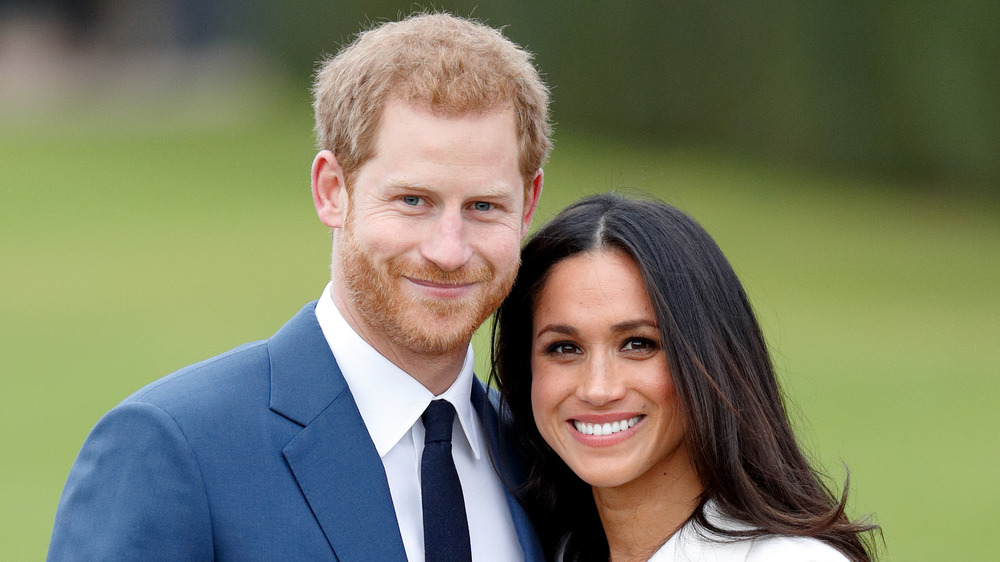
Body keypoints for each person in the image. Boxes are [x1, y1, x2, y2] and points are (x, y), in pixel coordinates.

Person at [49, 12, 550, 561]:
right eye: (413, 201)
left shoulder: (545, 457)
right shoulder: (174, 450)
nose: (447, 250)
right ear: (332, 190)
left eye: (483, 206)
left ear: (527, 206)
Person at [490, 193, 880, 561]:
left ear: (711, 359)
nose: (598, 388)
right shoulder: (536, 546)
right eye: (564, 348)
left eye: (638, 344)